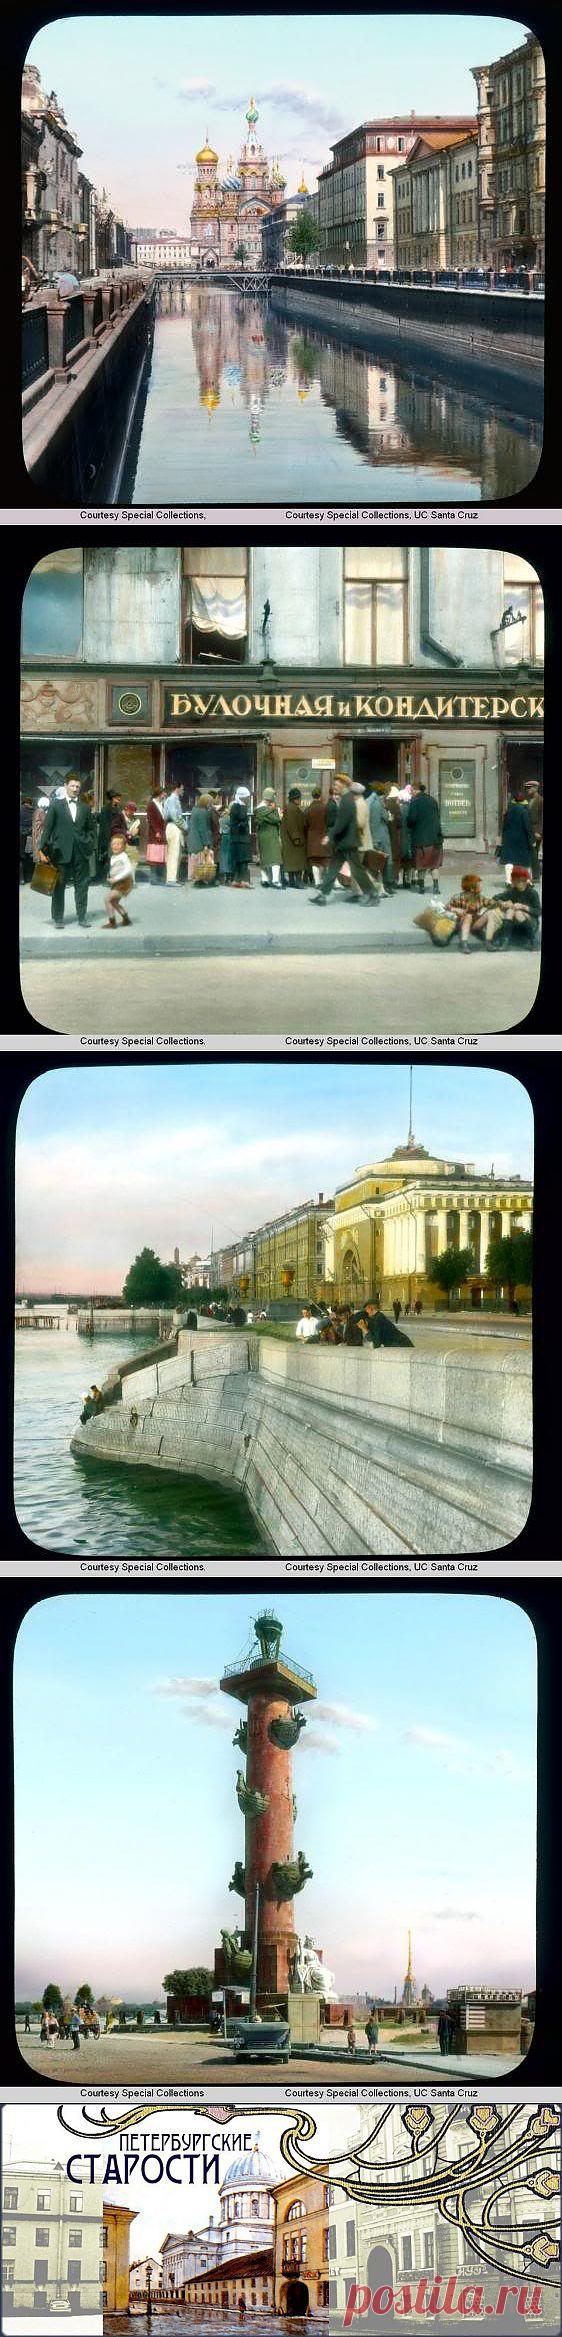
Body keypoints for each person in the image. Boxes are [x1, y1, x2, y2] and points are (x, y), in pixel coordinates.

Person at [309, 776, 379, 905]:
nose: (334, 786)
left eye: (337, 784)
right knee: (333, 869)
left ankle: (373, 893)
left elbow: (342, 822)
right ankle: (323, 895)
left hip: (348, 842)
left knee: (357, 870)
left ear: (344, 785)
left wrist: (329, 836)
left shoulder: (347, 800)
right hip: (344, 842)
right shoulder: (346, 799)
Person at [40, 774, 96, 929]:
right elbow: (48, 828)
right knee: (59, 886)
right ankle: (58, 918)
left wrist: (90, 845)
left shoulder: (85, 807)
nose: (75, 789)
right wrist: (40, 849)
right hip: (60, 852)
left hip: (81, 852)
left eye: (78, 787)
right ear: (66, 786)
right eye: (72, 786)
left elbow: (91, 829)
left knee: (82, 886)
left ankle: (82, 917)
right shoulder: (56, 805)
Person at [477, 866, 541, 950]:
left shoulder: (532, 893)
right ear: (513, 881)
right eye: (518, 881)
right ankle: (504, 942)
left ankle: (533, 941)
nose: (521, 883)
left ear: (526, 881)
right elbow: (495, 898)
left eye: (523, 881)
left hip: (531, 925)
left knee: (517, 912)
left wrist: (523, 907)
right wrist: (503, 903)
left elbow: (538, 912)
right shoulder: (512, 891)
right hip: (515, 925)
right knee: (510, 911)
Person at [406, 782, 443, 893]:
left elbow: (411, 819)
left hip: (420, 839)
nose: (411, 793)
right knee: (434, 865)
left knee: (421, 865)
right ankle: (436, 887)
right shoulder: (432, 800)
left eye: (411, 790)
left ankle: (421, 888)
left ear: (414, 789)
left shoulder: (415, 802)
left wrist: (409, 825)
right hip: (435, 838)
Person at [496, 790, 534, 879]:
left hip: (509, 839)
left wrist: (503, 838)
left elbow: (504, 826)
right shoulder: (524, 811)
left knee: (509, 861)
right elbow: (527, 827)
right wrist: (531, 840)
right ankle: (527, 880)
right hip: (522, 840)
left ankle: (508, 880)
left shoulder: (508, 811)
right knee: (525, 861)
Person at [96, 789, 128, 879]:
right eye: (117, 798)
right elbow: (105, 826)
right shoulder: (106, 809)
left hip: (115, 836)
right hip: (109, 837)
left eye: (119, 798)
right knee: (110, 857)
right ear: (112, 798)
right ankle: (109, 877)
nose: (119, 799)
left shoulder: (116, 808)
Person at [367, 788, 394, 891]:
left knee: (380, 862)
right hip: (380, 838)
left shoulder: (375, 804)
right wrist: (375, 840)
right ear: (382, 795)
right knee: (382, 862)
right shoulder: (378, 805)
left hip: (379, 838)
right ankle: (384, 887)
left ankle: (382, 886)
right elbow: (378, 821)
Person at [104, 842, 135, 929]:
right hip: (118, 883)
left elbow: (129, 870)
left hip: (124, 883)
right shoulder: (114, 856)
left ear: (124, 847)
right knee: (114, 902)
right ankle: (126, 919)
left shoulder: (123, 856)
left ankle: (112, 922)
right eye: (113, 844)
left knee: (107, 899)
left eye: (118, 844)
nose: (115, 846)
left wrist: (115, 878)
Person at [255, 787, 282, 886]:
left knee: (264, 858)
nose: (275, 797)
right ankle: (275, 880)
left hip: (262, 835)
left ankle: (264, 879)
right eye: (274, 795)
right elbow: (276, 820)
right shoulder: (268, 809)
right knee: (275, 858)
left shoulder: (258, 808)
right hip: (271, 836)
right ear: (270, 796)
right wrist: (276, 813)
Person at [281, 787, 307, 885]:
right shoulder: (291, 809)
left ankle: (292, 881)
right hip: (294, 840)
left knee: (292, 862)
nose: (300, 800)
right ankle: (297, 882)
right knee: (296, 862)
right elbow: (292, 825)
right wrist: (296, 838)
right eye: (299, 798)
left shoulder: (291, 808)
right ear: (295, 799)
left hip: (291, 840)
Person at [305, 784, 330, 885]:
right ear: (320, 796)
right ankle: (322, 880)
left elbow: (305, 824)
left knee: (314, 862)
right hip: (323, 838)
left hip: (312, 839)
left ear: (312, 796)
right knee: (324, 861)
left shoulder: (308, 809)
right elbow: (328, 823)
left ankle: (317, 881)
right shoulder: (325, 808)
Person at [187, 792, 214, 883]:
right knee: (201, 860)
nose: (210, 805)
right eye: (209, 802)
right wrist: (206, 844)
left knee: (193, 859)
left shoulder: (195, 809)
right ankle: (200, 878)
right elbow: (203, 829)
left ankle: (193, 877)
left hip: (193, 839)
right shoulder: (203, 812)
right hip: (199, 841)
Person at [163, 783, 188, 883]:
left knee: (173, 853)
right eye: (182, 789)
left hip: (171, 826)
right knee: (174, 854)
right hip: (174, 827)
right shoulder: (173, 799)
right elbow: (175, 817)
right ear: (176, 789)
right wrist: (185, 826)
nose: (183, 791)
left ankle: (172, 878)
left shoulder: (169, 799)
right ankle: (171, 879)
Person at [230, 787, 252, 886]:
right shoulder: (240, 806)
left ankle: (237, 880)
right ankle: (244, 881)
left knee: (238, 861)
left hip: (236, 839)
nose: (248, 799)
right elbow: (242, 821)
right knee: (243, 860)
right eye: (247, 797)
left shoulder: (235, 806)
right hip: (241, 838)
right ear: (242, 797)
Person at [146, 786, 167, 883]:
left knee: (160, 854)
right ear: (159, 794)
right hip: (155, 833)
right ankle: (153, 878)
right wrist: (157, 831)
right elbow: (151, 819)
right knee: (154, 855)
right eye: (163, 793)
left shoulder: (161, 804)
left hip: (162, 832)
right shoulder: (151, 804)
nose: (165, 795)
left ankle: (160, 877)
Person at [525, 781, 543, 880]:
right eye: (527, 788)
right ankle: (534, 875)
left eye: (529, 788)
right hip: (530, 830)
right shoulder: (530, 800)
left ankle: (536, 876)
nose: (528, 790)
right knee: (532, 853)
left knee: (533, 853)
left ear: (535, 788)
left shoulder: (540, 800)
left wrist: (539, 832)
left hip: (536, 831)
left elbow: (542, 817)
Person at [218, 800, 232, 882]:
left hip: (223, 837)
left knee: (223, 856)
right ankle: (228, 877)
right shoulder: (227, 817)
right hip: (228, 837)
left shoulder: (221, 817)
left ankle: (224, 877)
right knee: (228, 857)